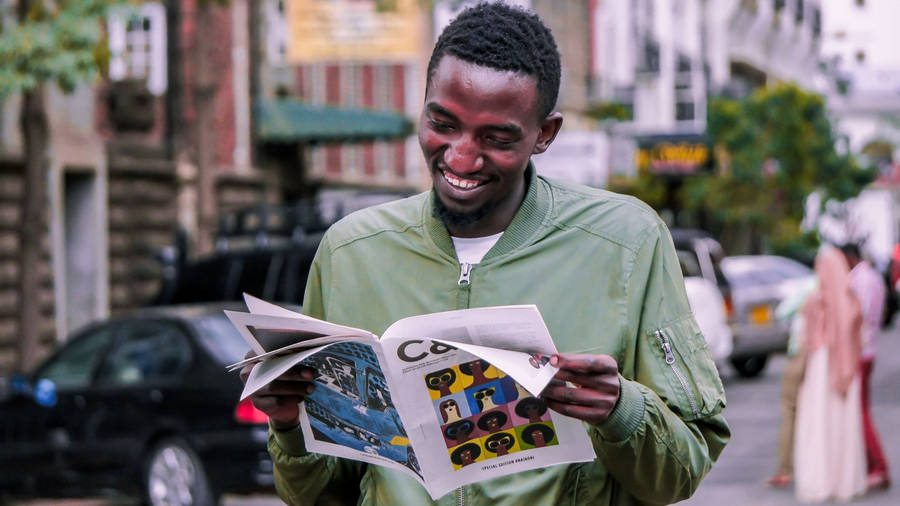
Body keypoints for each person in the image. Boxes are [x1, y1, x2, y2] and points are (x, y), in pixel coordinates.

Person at [241, 3, 729, 504]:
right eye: (443, 124)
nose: (460, 157)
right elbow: (320, 494)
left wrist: (621, 409)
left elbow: (681, 471)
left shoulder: (627, 243)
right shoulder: (350, 253)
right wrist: (289, 428)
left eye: (496, 139)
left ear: (545, 134)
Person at [793, 246, 866, 502]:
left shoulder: (817, 300)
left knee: (820, 419)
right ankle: (843, 480)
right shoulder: (851, 301)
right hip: (845, 366)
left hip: (823, 364)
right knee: (841, 422)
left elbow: (806, 335)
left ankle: (822, 480)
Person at [841, 243, 890, 491]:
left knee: (860, 412)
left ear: (850, 258)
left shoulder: (860, 280)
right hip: (869, 347)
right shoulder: (874, 278)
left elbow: (858, 316)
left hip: (861, 350)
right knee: (861, 410)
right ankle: (873, 464)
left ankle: (878, 467)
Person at [766, 274, 816, 489]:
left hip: (800, 352)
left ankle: (785, 470)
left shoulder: (808, 286)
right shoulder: (842, 284)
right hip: (822, 359)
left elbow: (782, 311)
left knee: (790, 410)